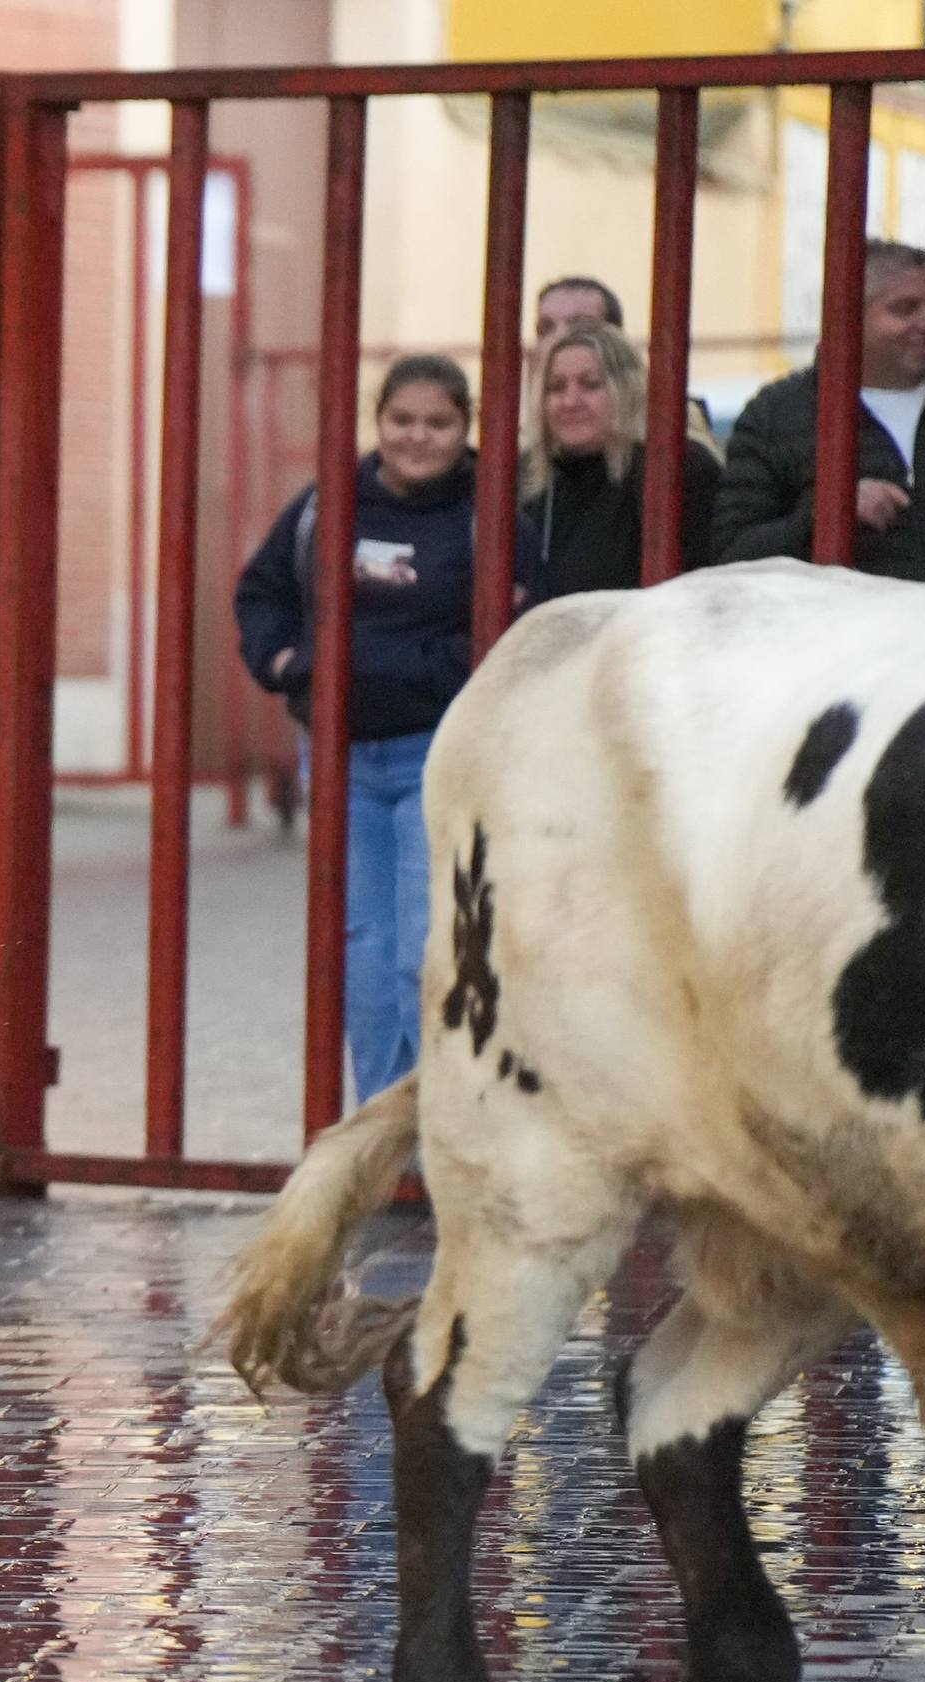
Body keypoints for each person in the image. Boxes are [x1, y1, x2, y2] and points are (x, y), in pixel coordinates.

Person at [234, 353, 480, 1106]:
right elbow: (261, 591)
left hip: (435, 756)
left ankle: (439, 1129)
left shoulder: (489, 511)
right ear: (378, 421)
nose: (417, 437)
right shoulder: (328, 502)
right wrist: (285, 663)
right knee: (362, 956)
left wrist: (410, 672)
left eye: (437, 423)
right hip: (339, 759)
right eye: (401, 420)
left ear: (465, 428)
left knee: (422, 952)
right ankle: (384, 1130)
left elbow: (503, 627)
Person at [712, 240, 925, 583]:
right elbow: (732, 555)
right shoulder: (775, 415)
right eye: (905, 308)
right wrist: (825, 514)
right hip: (846, 617)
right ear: (850, 315)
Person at [518, 319, 724, 602]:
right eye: (555, 387)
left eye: (591, 385)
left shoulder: (676, 469)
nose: (570, 401)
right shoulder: (525, 478)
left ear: (628, 390)